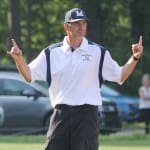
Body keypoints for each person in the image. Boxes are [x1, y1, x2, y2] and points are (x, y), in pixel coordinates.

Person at [7, 8, 143, 150]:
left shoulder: (98, 52)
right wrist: (18, 59)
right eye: (77, 23)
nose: (81, 27)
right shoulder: (51, 53)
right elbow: (29, 75)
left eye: (84, 23)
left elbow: (120, 75)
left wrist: (135, 58)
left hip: (87, 116)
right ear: (66, 26)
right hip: (61, 115)